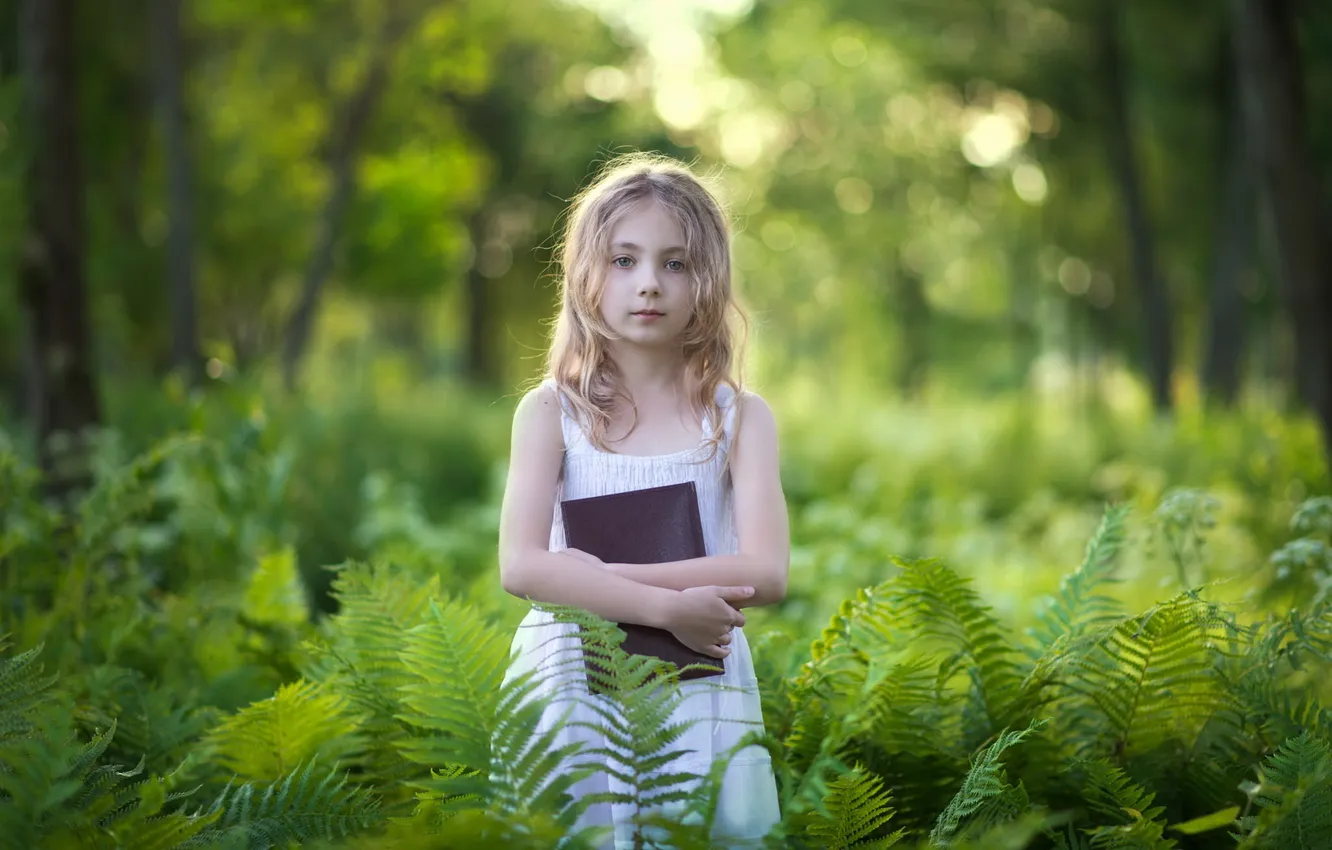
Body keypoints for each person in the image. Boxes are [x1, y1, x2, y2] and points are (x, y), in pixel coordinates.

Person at [496, 152, 788, 848]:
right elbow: (522, 568)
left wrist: (591, 576)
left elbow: (766, 572)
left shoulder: (739, 418)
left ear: (707, 278)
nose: (649, 283)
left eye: (675, 263)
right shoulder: (551, 413)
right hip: (568, 681)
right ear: (585, 274)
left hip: (700, 684)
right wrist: (666, 609)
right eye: (624, 260)